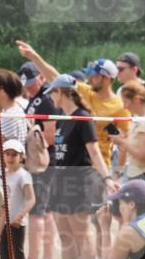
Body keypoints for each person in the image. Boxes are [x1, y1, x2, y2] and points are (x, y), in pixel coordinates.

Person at [16, 43, 131, 181]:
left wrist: (117, 174)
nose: (89, 78)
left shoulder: (120, 107)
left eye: (93, 75)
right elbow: (56, 78)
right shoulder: (86, 91)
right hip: (75, 164)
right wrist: (34, 57)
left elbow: (124, 144)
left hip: (99, 169)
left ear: (106, 79)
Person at [44, 74, 112, 259]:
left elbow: (94, 153)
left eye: (52, 93)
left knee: (82, 236)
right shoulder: (62, 119)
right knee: (65, 237)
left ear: (61, 92)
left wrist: (107, 179)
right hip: (60, 182)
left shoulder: (83, 118)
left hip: (78, 182)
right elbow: (59, 153)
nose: (50, 98)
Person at [18, 61, 58, 259]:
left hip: (42, 163)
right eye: (26, 82)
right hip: (41, 162)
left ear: (41, 78)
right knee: (45, 211)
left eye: (32, 81)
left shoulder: (46, 99)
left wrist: (31, 137)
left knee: (37, 213)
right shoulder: (33, 99)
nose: (29, 86)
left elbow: (51, 136)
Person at [112, 80, 145, 211]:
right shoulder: (140, 119)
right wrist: (117, 173)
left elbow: (144, 156)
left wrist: (121, 142)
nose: (124, 107)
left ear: (136, 99)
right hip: (140, 176)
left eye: (125, 102)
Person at [0, 140, 35, 259]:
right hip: (3, 221)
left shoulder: (23, 175)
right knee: (4, 256)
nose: (11, 158)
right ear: (3, 155)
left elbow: (31, 199)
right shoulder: (1, 174)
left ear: (21, 156)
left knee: (18, 255)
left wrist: (21, 215)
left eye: (14, 154)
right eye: (7, 154)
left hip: (17, 223)